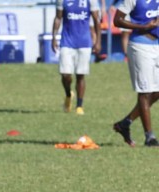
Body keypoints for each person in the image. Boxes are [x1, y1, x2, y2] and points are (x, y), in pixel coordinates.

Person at [112, 0, 159, 147]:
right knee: (145, 92)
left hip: (156, 46)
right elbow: (117, 20)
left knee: (157, 91)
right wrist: (143, 27)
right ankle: (149, 137)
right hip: (140, 46)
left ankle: (125, 124)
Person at [52, 0, 101, 115]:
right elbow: (58, 18)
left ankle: (79, 105)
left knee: (80, 75)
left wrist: (98, 41)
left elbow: (96, 20)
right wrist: (54, 37)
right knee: (65, 75)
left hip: (84, 43)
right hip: (67, 42)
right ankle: (68, 95)